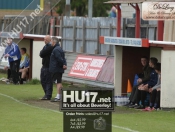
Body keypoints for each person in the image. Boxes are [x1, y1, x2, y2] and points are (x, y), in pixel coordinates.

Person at [49, 37, 67, 102]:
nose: (50, 42)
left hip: (56, 69)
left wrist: (63, 64)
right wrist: (64, 64)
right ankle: (62, 95)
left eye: (51, 41)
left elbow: (59, 58)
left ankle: (58, 96)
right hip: (58, 68)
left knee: (58, 82)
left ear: (54, 42)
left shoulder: (56, 50)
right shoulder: (59, 48)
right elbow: (63, 58)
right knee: (58, 82)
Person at [39, 35, 53, 100]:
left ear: (50, 40)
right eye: (44, 39)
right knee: (42, 81)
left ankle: (48, 95)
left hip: (49, 66)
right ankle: (46, 93)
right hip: (44, 66)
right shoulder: (45, 46)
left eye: (46, 40)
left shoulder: (50, 47)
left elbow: (42, 53)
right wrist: (42, 53)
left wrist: (42, 53)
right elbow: (41, 54)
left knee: (48, 81)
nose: (45, 41)